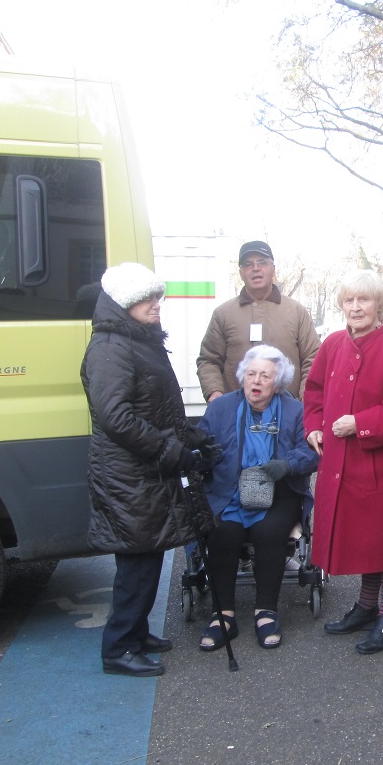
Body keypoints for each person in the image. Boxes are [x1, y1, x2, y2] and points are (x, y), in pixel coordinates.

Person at [81, 263, 216, 677]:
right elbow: (115, 417)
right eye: (147, 298)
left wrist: (192, 439)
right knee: (136, 565)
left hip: (144, 472)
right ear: (125, 303)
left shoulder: (136, 341)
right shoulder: (110, 348)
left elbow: (156, 407)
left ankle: (136, 633)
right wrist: (169, 449)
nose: (157, 305)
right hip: (130, 473)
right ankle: (119, 648)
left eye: (158, 297)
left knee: (148, 557)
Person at [304, 270, 383, 654]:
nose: (356, 307)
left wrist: (360, 423)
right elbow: (315, 392)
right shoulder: (333, 343)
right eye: (349, 300)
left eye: (364, 300)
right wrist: (313, 428)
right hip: (337, 463)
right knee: (362, 540)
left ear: (379, 305)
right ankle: (367, 606)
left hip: (377, 464)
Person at [194, 345, 319, 652]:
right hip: (228, 490)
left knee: (268, 532)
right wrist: (203, 455)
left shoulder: (294, 410)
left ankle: (266, 610)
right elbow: (198, 445)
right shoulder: (221, 408)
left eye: (265, 375)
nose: (256, 381)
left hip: (280, 493)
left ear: (277, 383)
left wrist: (288, 464)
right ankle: (222, 614)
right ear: (242, 377)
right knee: (222, 531)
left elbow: (313, 453)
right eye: (251, 374)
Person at [197, 240, 322, 401]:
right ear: (241, 273)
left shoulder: (296, 312)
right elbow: (208, 360)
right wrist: (215, 395)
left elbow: (313, 359)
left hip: (287, 415)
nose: (255, 268)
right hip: (236, 413)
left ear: (273, 269)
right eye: (248, 264)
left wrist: (305, 401)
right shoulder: (223, 314)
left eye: (262, 262)